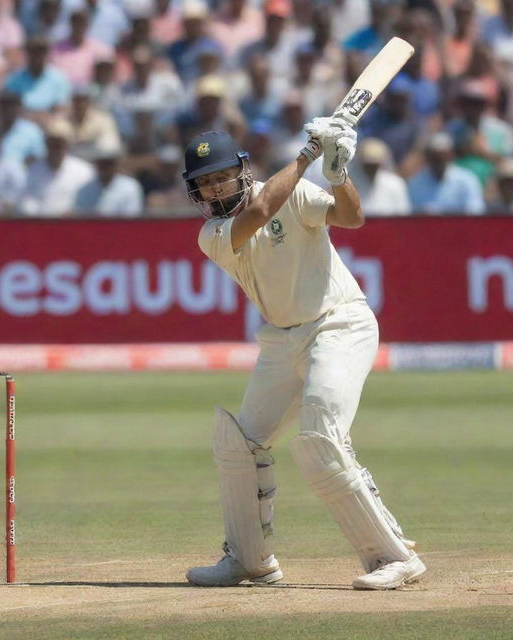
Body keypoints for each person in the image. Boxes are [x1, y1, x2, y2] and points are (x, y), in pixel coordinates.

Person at [181, 118, 426, 590]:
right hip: (282, 339)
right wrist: (307, 156)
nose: (213, 189)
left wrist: (336, 172)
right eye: (204, 184)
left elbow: (351, 217)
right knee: (241, 442)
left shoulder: (294, 193)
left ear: (242, 170)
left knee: (321, 436)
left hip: (339, 324)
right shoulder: (212, 233)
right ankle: (250, 560)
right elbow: (255, 215)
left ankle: (391, 557)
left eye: (219, 177)